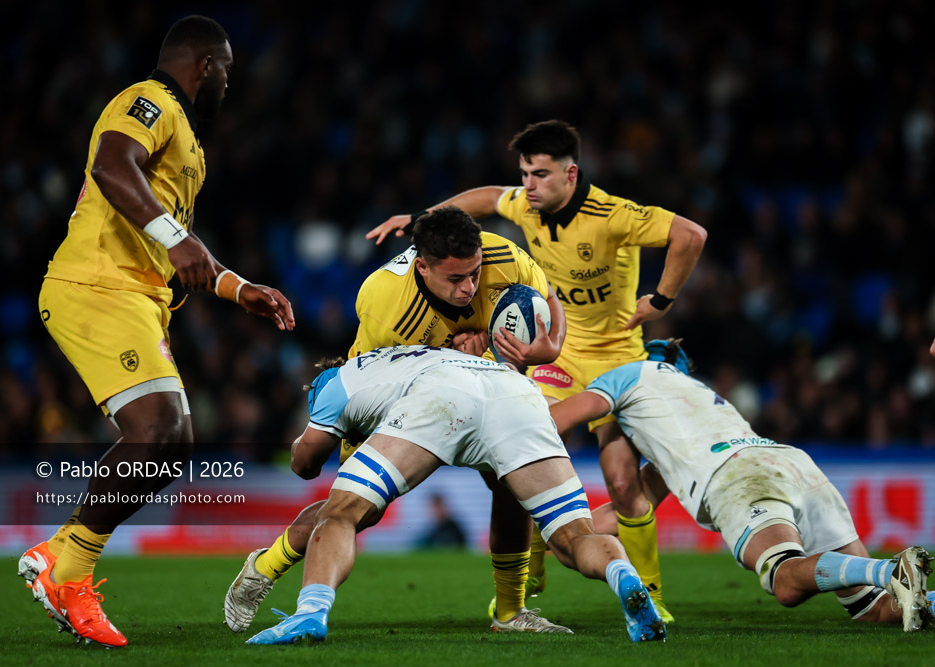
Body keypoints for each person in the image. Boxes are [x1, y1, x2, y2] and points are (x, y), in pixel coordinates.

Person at [18, 15, 295, 648]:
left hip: (138, 296)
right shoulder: (149, 100)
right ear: (206, 65)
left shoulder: (189, 142)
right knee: (161, 430)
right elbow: (112, 165)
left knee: (171, 441)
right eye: (227, 70)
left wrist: (240, 289)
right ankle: (68, 571)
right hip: (97, 284)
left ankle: (61, 556)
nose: (228, 82)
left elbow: (183, 247)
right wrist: (175, 238)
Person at [367, 120, 707, 621]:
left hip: (617, 360)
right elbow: (486, 198)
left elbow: (690, 234)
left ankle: (651, 595)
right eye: (524, 173)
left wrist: (661, 299)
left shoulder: (612, 215)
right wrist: (423, 218)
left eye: (540, 174)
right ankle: (533, 570)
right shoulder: (526, 204)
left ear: (571, 174)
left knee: (621, 482)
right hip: (556, 356)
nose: (528, 185)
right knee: (527, 453)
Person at [226, 206, 571, 634]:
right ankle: (265, 565)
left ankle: (510, 611)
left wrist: (550, 348)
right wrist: (457, 356)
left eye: (474, 274)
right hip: (397, 393)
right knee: (357, 510)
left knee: (511, 482)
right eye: (455, 279)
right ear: (422, 267)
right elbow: (389, 378)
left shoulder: (503, 256)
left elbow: (548, 299)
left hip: (480, 387)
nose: (469, 288)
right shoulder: (385, 304)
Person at [245, 344, 666, 645]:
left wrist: (312, 436)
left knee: (340, 513)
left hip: (443, 396)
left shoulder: (332, 384)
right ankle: (622, 575)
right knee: (575, 537)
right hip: (516, 392)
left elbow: (304, 465)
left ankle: (310, 613)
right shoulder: (404, 358)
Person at [549, 338, 934, 632]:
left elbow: (554, 420)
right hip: (791, 464)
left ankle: (889, 571)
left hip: (737, 477)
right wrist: (561, 535)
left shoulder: (627, 374)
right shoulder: (696, 401)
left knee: (784, 579)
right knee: (874, 609)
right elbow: (630, 509)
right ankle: (898, 581)